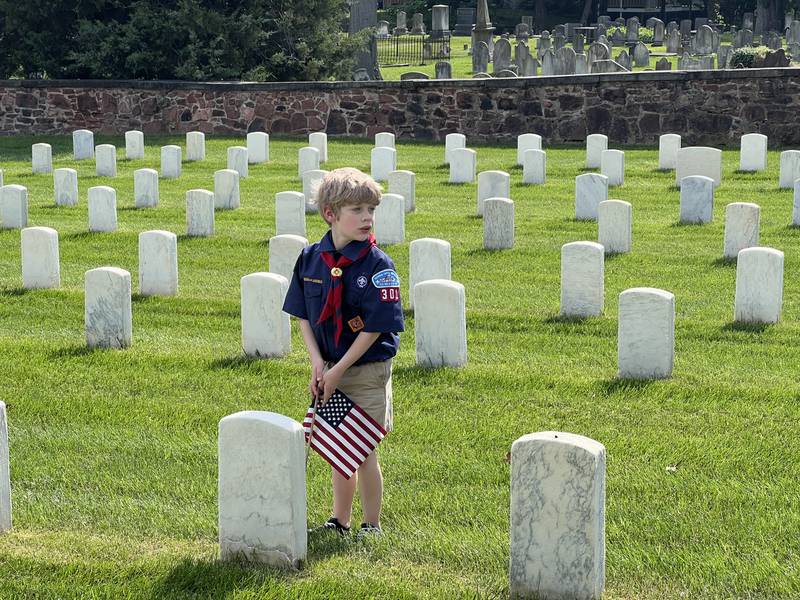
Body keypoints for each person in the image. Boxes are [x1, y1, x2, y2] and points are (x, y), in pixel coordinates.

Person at [283, 167, 404, 537]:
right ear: (330, 214)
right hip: (330, 366)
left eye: (371, 210)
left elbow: (375, 326)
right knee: (339, 447)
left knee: (363, 447)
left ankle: (371, 524)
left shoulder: (378, 266)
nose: (367, 218)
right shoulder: (310, 259)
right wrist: (318, 363)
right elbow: (303, 313)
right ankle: (340, 520)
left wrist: (339, 370)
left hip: (365, 370)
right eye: (357, 210)